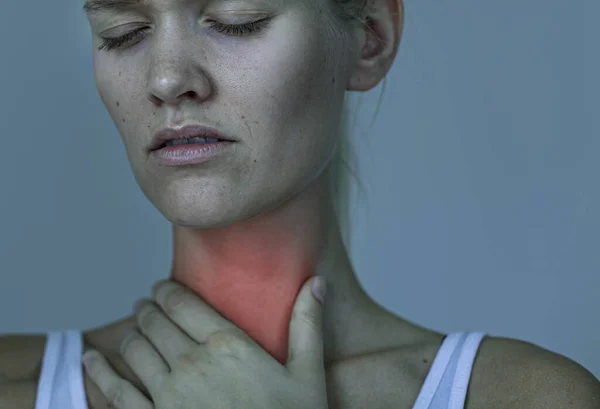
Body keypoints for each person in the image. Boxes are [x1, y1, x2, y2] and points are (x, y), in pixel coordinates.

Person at [1, 0, 598, 407]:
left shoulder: (521, 397)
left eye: (237, 19)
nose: (165, 80)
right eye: (123, 32)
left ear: (369, 39)